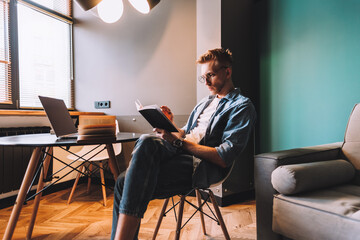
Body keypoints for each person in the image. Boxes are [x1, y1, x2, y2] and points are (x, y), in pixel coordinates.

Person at [111, 48, 256, 240]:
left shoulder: (242, 106)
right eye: (203, 77)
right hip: (179, 151)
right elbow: (185, 133)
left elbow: (223, 157)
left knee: (126, 178)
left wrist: (179, 143)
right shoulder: (205, 103)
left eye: (210, 75)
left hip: (201, 164)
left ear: (227, 72)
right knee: (133, 165)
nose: (206, 82)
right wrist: (168, 123)